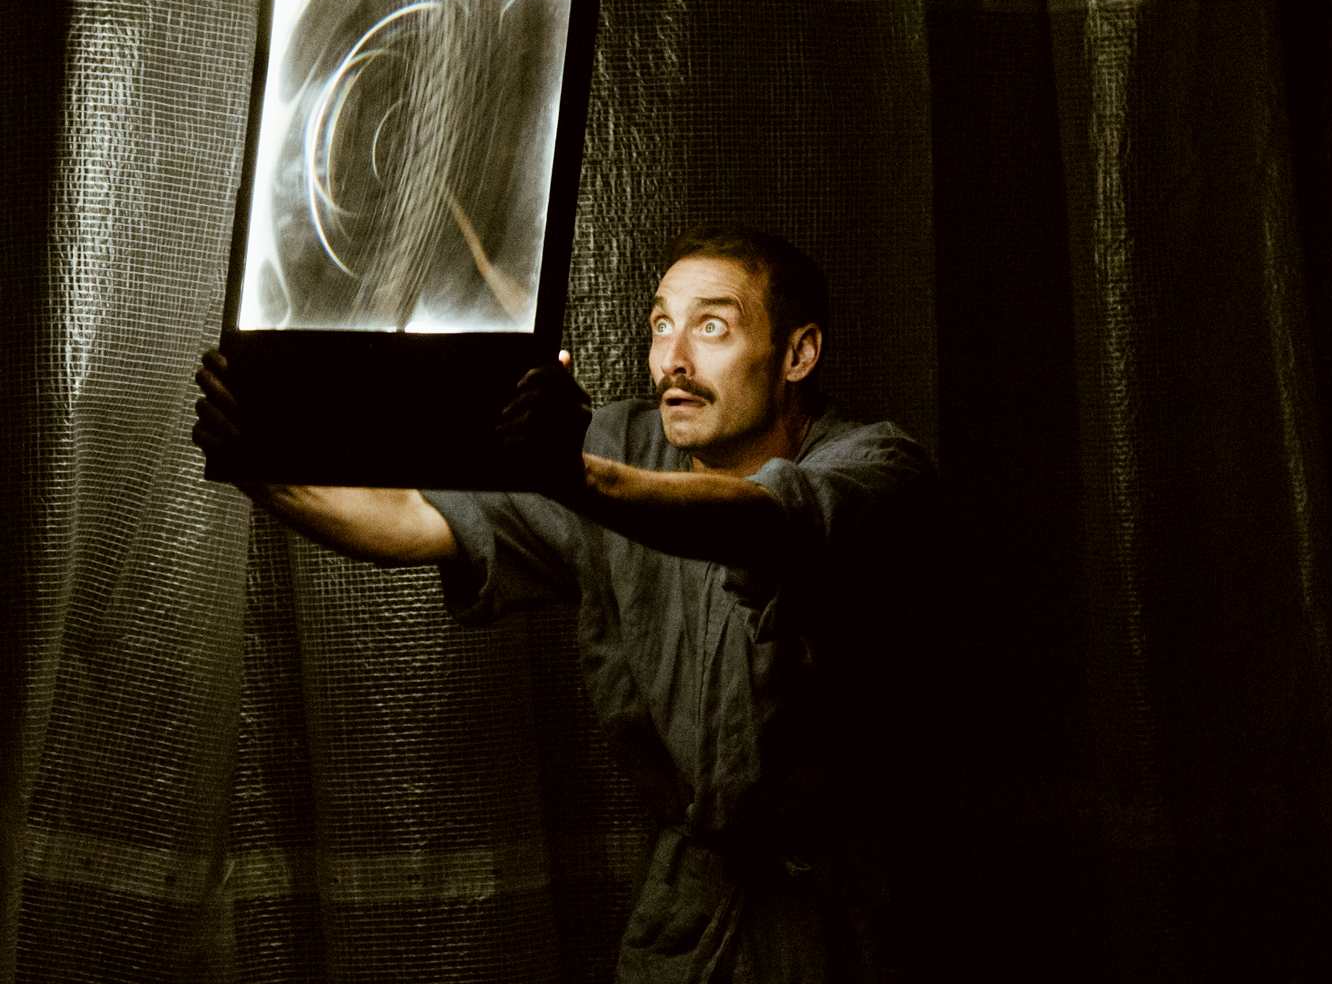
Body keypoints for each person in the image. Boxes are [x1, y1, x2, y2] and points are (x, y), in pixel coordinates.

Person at [194, 224, 941, 982]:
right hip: (687, 929)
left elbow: (761, 521)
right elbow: (412, 520)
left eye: (712, 327)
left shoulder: (879, 469)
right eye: (660, 326)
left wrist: (575, 477)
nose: (673, 361)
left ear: (797, 354)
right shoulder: (620, 447)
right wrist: (261, 463)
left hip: (850, 929)